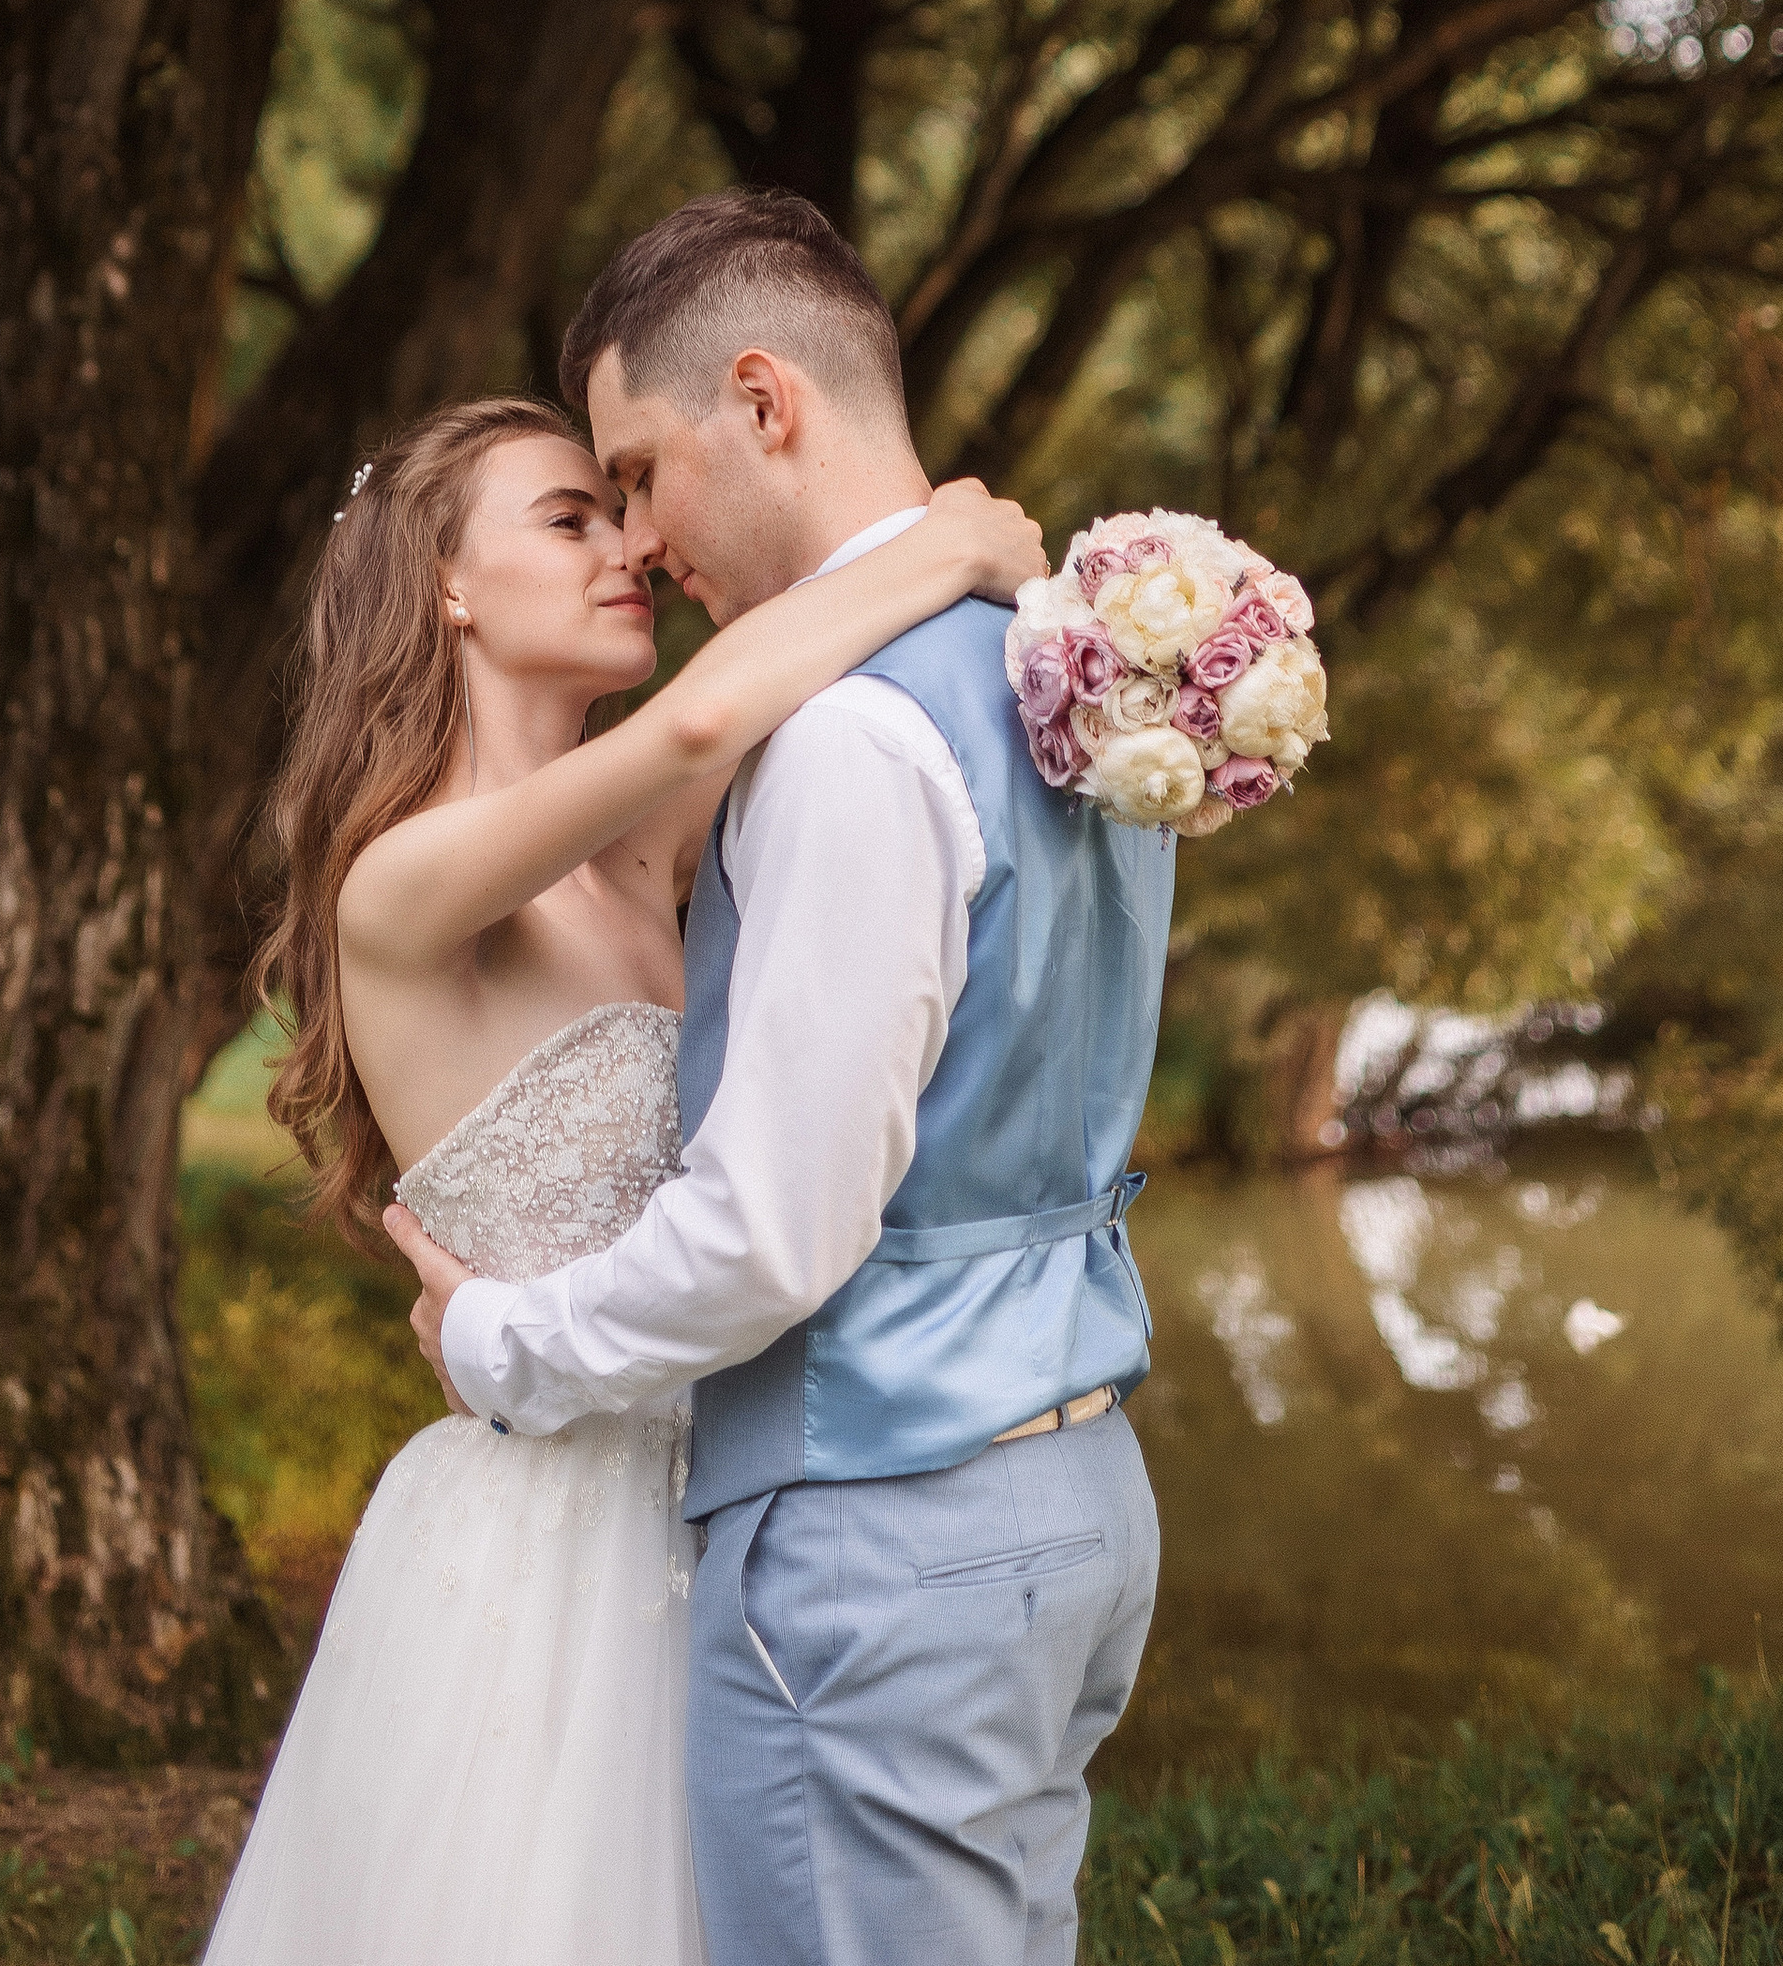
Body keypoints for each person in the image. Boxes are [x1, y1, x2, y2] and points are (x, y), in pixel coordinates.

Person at [384, 192, 1174, 1966]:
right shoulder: (1072, 685)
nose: (640, 542)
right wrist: (957, 544)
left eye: (639, 478)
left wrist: (499, 1344)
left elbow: (768, 1237)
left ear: (764, 401)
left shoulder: (844, 741)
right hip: (1078, 1498)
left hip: (884, 1536)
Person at [200, 385, 1045, 1966]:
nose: (630, 553)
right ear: (447, 583)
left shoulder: (633, 862)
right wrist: (949, 544)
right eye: (572, 518)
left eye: (627, 511)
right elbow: (707, 719)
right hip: (546, 1538)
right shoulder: (403, 883)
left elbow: (799, 701)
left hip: (737, 1502)